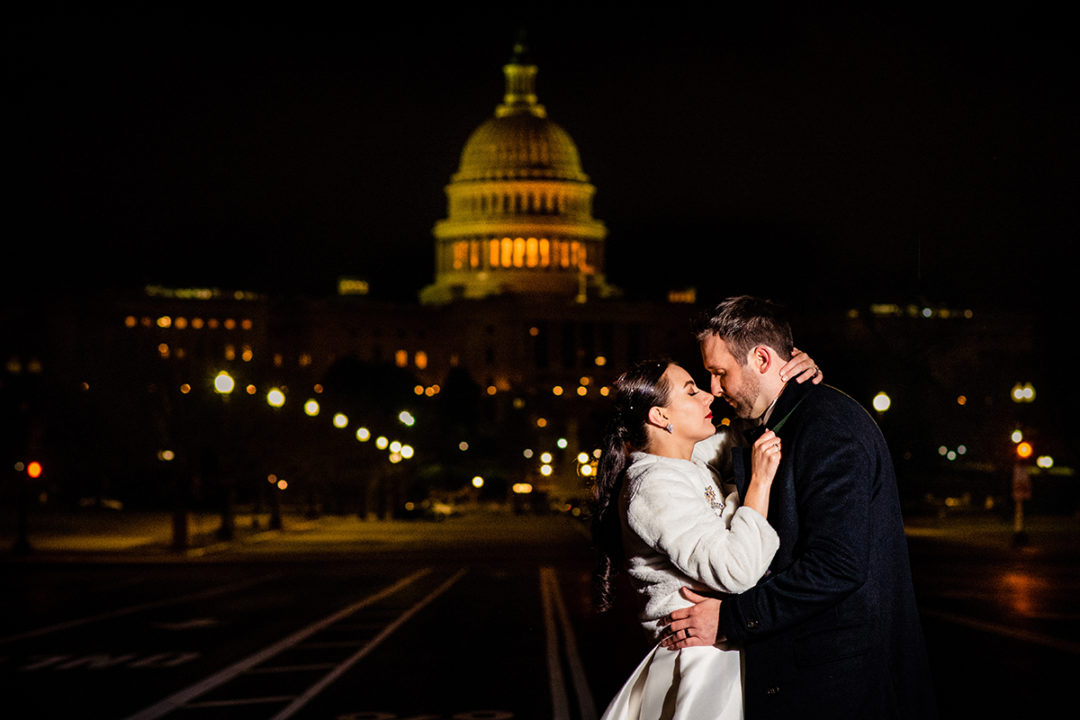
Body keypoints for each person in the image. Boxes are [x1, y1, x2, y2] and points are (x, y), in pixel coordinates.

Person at [660, 296, 937, 719]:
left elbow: (837, 565)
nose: (715, 389)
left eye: (720, 373)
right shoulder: (781, 420)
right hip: (812, 678)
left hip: (840, 689)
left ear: (763, 358)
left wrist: (732, 619)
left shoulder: (828, 427)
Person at [592, 350, 820, 720]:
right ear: (660, 415)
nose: (709, 395)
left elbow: (748, 426)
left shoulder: (688, 462)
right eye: (691, 391)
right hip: (702, 664)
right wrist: (758, 484)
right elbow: (738, 570)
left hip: (723, 651)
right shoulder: (652, 486)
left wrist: (790, 378)